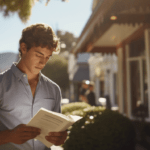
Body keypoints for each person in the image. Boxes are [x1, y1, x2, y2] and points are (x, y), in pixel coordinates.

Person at [0, 23, 67, 150]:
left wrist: (60, 138)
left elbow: (57, 134)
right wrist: (8, 136)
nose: (43, 62)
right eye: (39, 55)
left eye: (47, 57)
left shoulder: (54, 89)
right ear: (24, 48)